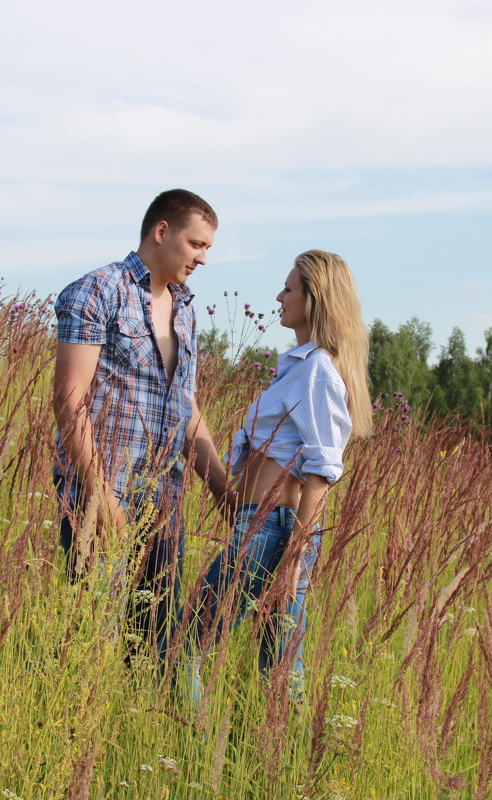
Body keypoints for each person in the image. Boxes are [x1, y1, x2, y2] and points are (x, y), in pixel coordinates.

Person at [52, 189, 233, 656]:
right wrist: (100, 495)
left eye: (208, 248)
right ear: (162, 231)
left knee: (151, 640)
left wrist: (222, 490)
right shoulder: (98, 290)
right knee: (92, 635)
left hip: (164, 496)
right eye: (197, 244)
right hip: (101, 489)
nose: (204, 258)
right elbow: (69, 401)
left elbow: (184, 405)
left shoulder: (185, 310)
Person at [191, 249, 372, 695]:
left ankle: (187, 747)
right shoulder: (300, 369)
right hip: (267, 526)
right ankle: (276, 758)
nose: (279, 296)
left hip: (275, 531)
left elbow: (322, 471)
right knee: (278, 667)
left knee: (185, 644)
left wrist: (294, 555)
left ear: (315, 300)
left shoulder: (317, 373)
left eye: (289, 289)